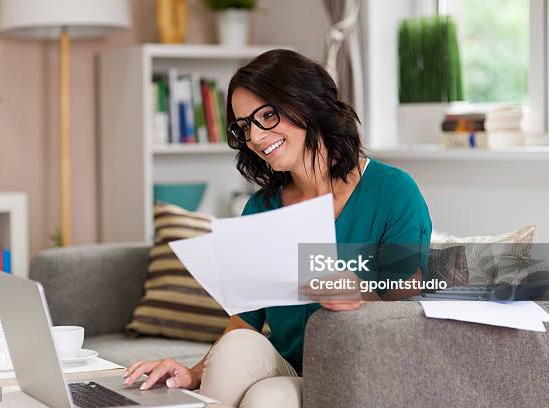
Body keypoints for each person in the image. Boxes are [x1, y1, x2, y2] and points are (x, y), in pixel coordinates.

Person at [122, 49, 432, 408]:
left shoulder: (393, 191)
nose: (254, 136)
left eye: (267, 115)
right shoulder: (261, 207)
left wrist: (361, 292)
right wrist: (193, 373)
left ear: (307, 103)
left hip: (362, 375)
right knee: (239, 348)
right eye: (244, 126)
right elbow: (245, 320)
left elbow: (409, 311)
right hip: (291, 370)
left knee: (266, 399)